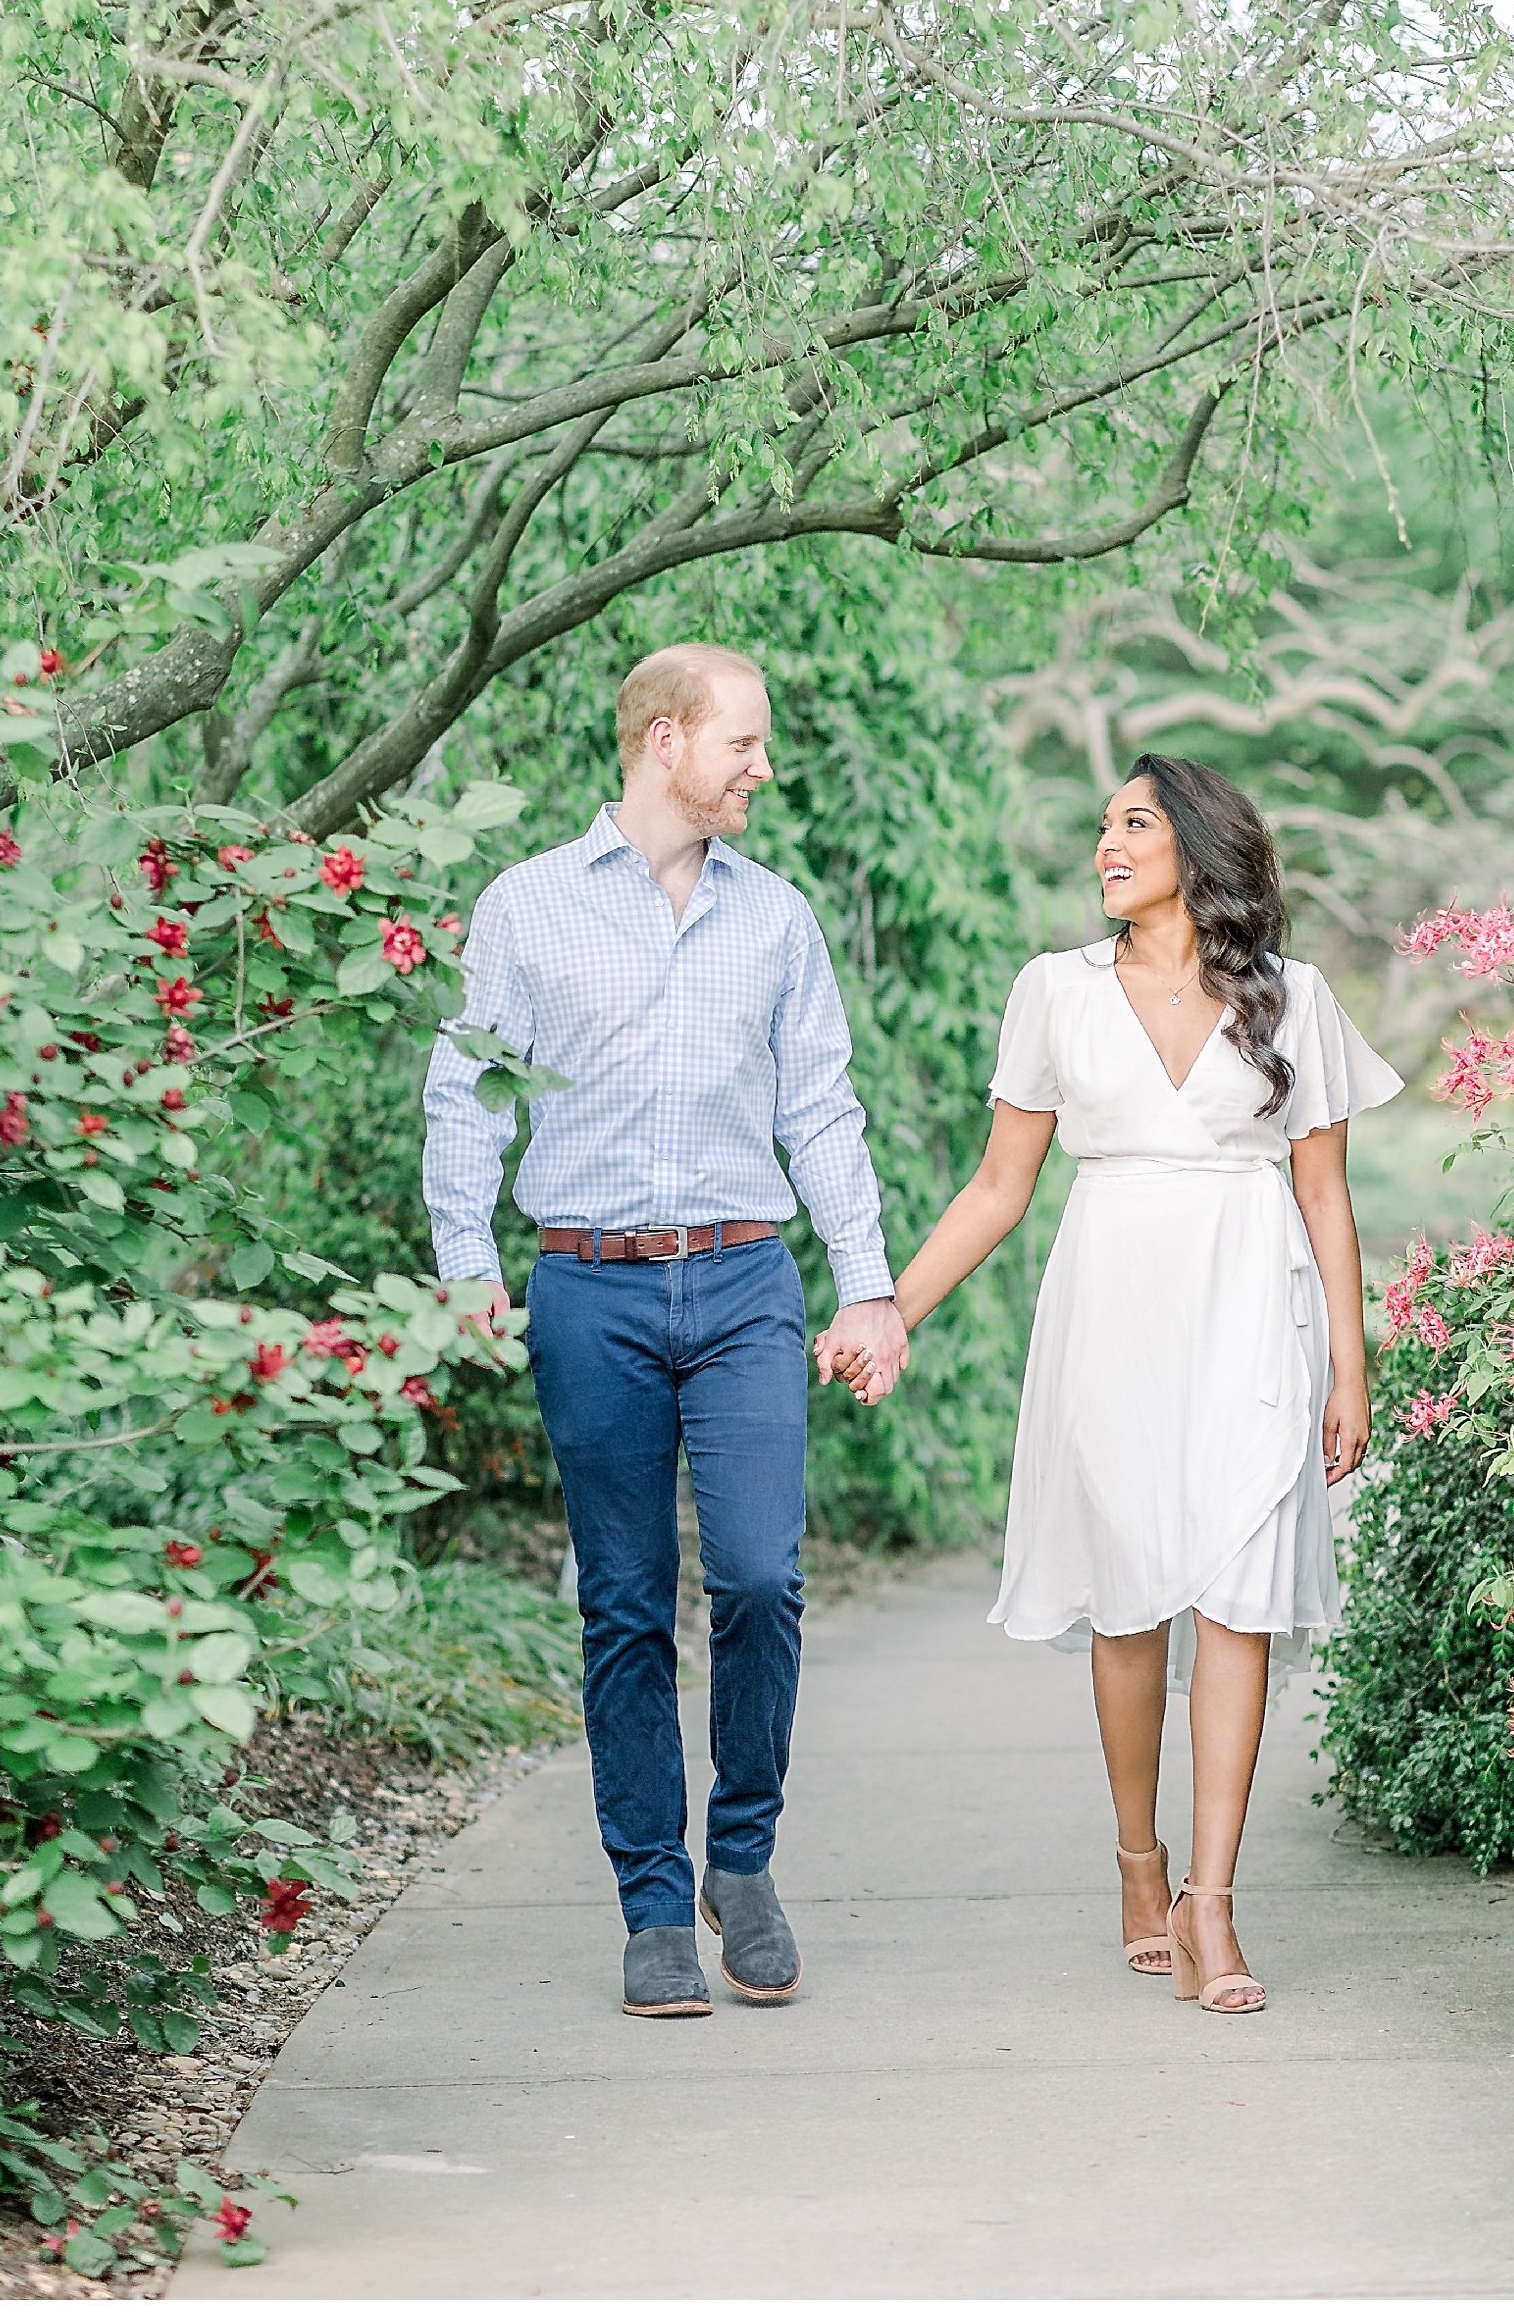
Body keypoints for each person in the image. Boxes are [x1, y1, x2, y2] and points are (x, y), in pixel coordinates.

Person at [852, 753, 1400, 2015]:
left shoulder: (1294, 999)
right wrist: (892, 1309)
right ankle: (1135, 1856)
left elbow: (1322, 1190)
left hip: (1250, 1308)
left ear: (1197, 850)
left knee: (1241, 1594)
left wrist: (1348, 1359)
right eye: (1102, 822)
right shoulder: (1053, 991)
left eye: (1134, 822)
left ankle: (1211, 1902)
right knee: (1128, 1604)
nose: (1106, 840)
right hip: (1109, 1308)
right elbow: (999, 1188)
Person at [421, 643, 907, 2021]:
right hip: (591, 1289)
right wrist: (469, 1277)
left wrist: (867, 1284)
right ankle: (652, 1899)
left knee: (759, 1579)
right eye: (743, 743)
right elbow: (467, 1100)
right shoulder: (526, 910)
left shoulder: (777, 920)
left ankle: (738, 1860)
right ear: (661, 738)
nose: (762, 767)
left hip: (747, 1280)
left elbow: (820, 1110)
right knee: (623, 1601)